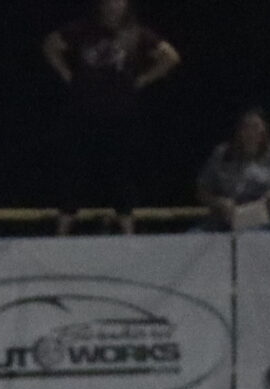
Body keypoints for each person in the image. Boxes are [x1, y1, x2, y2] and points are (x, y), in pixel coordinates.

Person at [41, 0, 181, 236]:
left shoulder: (136, 33)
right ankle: (62, 231)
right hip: (84, 112)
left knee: (121, 172)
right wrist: (68, 75)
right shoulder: (83, 29)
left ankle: (127, 232)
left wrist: (142, 80)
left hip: (120, 114)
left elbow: (170, 56)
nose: (113, 6)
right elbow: (51, 45)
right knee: (75, 170)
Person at [195, 107, 270, 232]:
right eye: (246, 127)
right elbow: (202, 190)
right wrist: (219, 202)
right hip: (226, 221)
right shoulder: (222, 154)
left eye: (255, 127)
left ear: (264, 130)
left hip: (266, 222)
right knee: (194, 236)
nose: (250, 133)